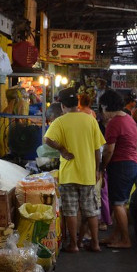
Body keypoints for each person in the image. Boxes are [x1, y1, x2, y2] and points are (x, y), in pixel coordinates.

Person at [44, 87, 105, 253]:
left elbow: (47, 139)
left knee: (71, 211)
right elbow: (97, 149)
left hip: (69, 174)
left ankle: (74, 245)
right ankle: (95, 243)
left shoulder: (60, 121)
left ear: (63, 105)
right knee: (91, 210)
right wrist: (97, 169)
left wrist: (62, 150)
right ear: (76, 103)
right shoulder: (90, 119)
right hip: (87, 173)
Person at [98, 89, 137, 249]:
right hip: (132, 165)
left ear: (107, 106)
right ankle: (115, 236)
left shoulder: (114, 122)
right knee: (119, 202)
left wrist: (102, 167)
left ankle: (125, 240)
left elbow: (109, 150)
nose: (102, 113)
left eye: (102, 108)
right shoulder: (128, 118)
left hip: (121, 166)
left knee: (118, 204)